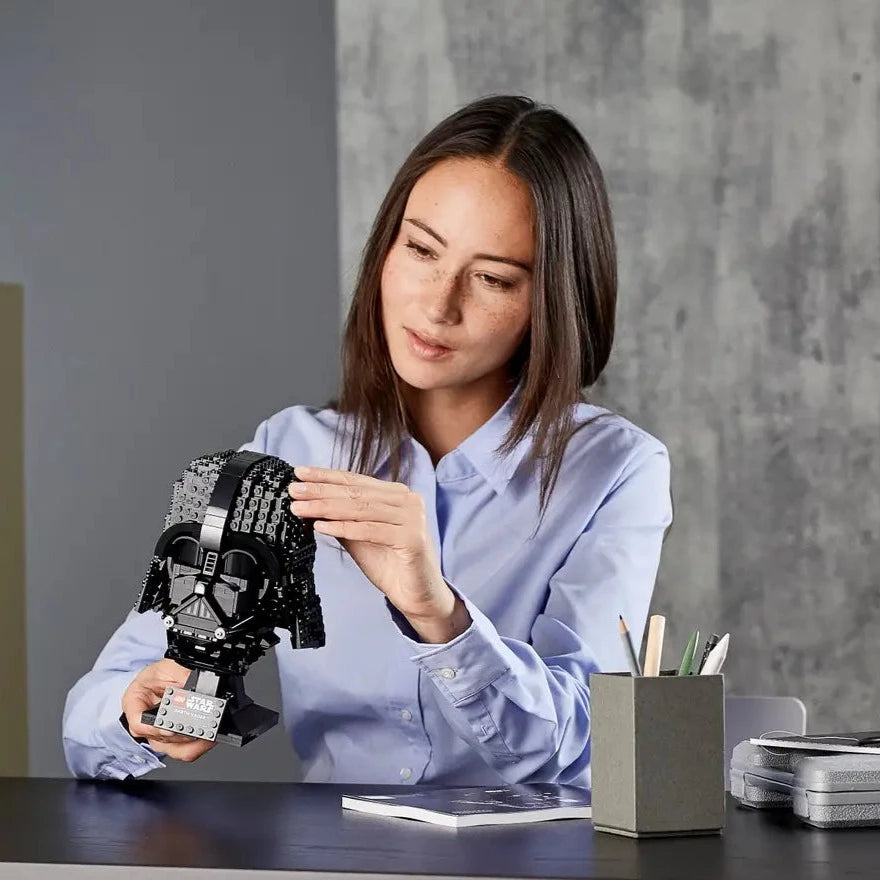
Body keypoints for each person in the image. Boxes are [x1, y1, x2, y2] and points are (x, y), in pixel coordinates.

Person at [63, 94, 672, 788]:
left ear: (555, 299)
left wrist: (438, 614)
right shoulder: (288, 449)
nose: (438, 306)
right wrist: (142, 711)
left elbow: (581, 743)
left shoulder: (617, 469)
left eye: (492, 279)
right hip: (333, 842)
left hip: (533, 843)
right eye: (421, 250)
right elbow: (90, 721)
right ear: (386, 247)